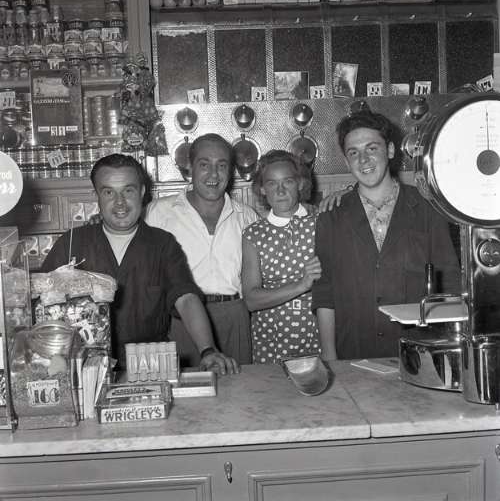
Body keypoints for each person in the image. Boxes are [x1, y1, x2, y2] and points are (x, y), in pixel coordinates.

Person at [42, 153, 239, 375]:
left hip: (150, 365)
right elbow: (41, 302)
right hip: (84, 368)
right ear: (96, 195)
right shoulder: (71, 243)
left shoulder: (162, 243)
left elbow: (185, 298)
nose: (120, 202)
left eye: (128, 191)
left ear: (142, 192)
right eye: (109, 192)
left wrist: (208, 350)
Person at [312, 110, 461, 361]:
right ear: (346, 161)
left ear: (390, 150)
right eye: (353, 153)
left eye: (372, 148)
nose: (363, 159)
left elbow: (449, 283)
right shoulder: (331, 216)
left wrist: (447, 350)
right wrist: (329, 354)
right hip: (354, 353)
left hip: (418, 352)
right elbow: (325, 292)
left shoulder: (427, 208)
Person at [145, 134, 259, 366]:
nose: (213, 175)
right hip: (179, 319)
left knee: (240, 386)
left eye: (222, 166)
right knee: (182, 387)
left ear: (231, 170)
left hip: (235, 316)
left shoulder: (247, 217)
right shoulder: (157, 212)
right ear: (190, 166)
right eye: (204, 165)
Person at [242, 150, 322, 364]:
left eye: (288, 181)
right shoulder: (253, 234)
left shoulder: (322, 222)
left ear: (300, 184)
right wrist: (302, 285)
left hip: (318, 337)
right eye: (271, 183)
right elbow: (251, 300)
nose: (280, 190)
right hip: (272, 343)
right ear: (262, 189)